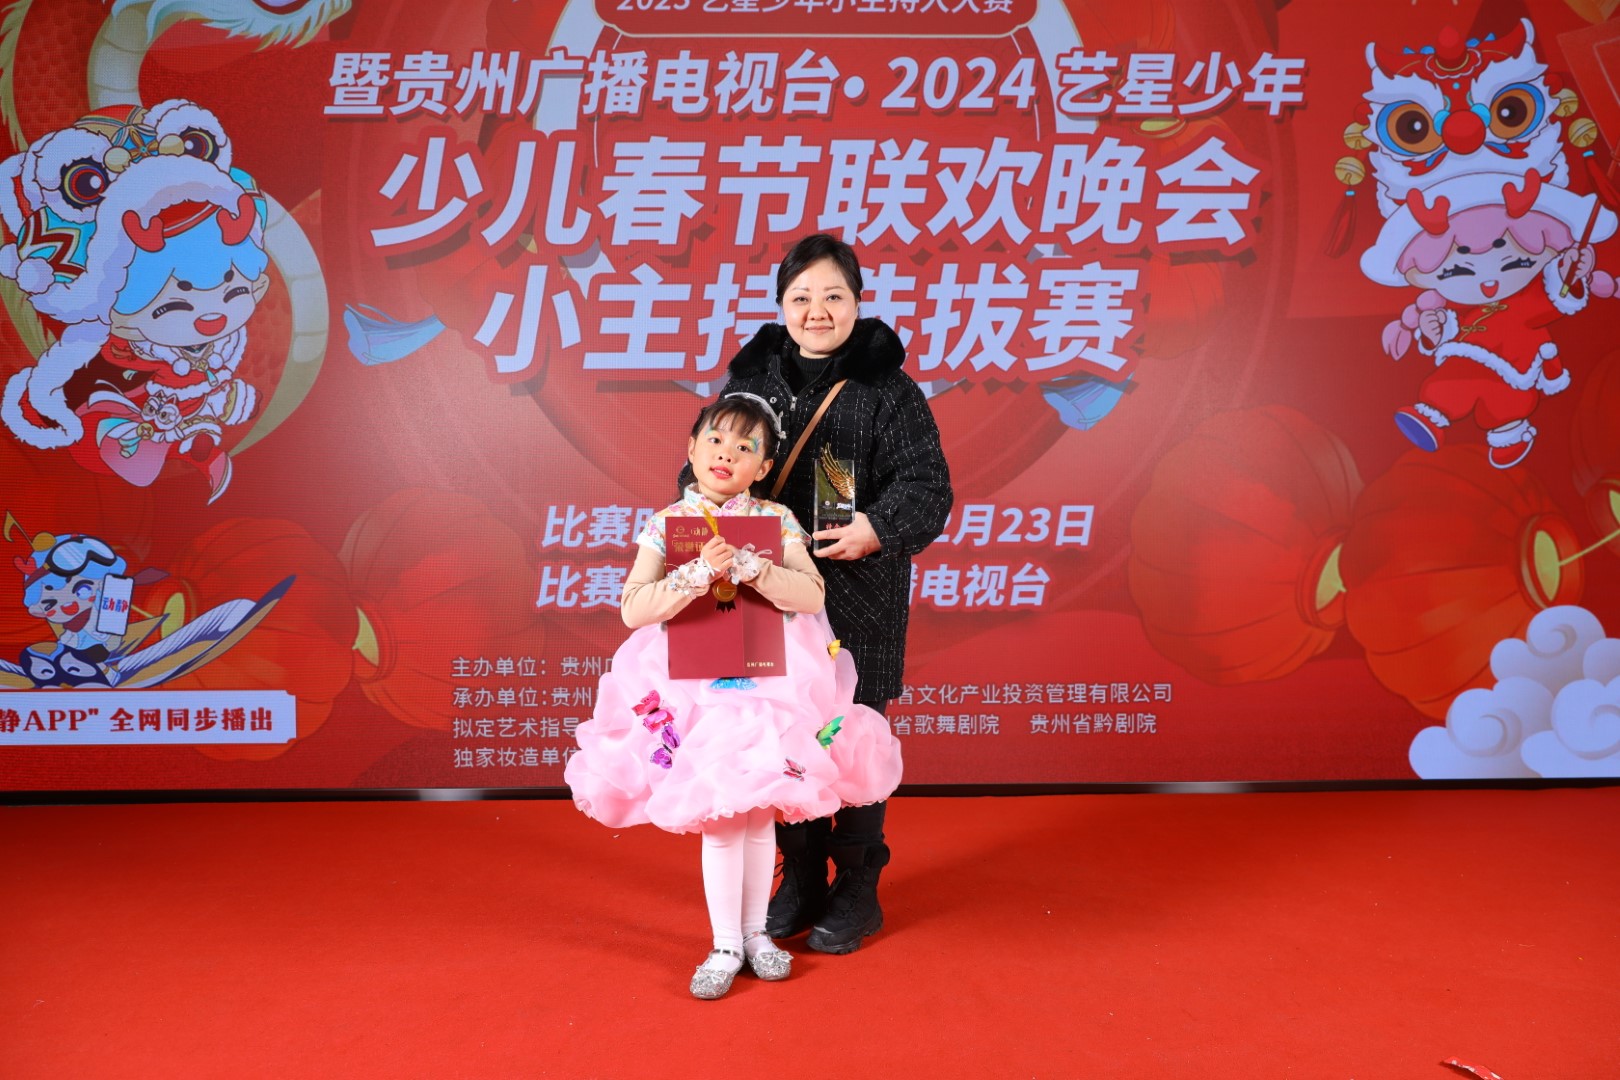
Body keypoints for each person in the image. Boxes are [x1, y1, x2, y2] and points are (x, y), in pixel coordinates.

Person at [564, 394, 903, 1000]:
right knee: (722, 818)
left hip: (770, 686)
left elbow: (811, 595)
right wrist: (696, 572)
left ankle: (755, 935)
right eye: (716, 440)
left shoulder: (776, 519)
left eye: (746, 447)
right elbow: (633, 608)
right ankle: (725, 943)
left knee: (755, 815)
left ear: (764, 466)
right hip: (696, 690)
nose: (727, 455)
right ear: (692, 449)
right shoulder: (669, 523)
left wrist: (753, 567)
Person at [682, 232, 953, 955]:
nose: (817, 310)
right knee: (784, 739)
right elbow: (706, 462)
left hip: (857, 594)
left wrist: (878, 528)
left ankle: (858, 885)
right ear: (782, 305)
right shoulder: (752, 384)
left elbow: (929, 486)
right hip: (765, 598)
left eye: (833, 295)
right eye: (801, 297)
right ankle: (800, 877)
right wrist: (709, 516)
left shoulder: (889, 390)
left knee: (853, 736)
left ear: (858, 302)